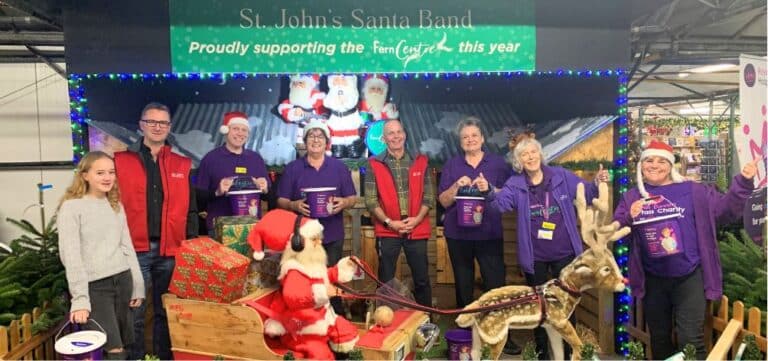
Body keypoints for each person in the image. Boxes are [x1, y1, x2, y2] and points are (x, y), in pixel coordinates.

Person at [614, 140, 758, 359]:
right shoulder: (632, 197)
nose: (654, 165)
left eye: (662, 161)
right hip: (652, 278)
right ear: (641, 165)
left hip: (689, 277)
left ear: (671, 165)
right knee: (659, 339)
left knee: (690, 340)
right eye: (649, 160)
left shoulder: (693, 191)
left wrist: (744, 183)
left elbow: (725, 212)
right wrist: (628, 217)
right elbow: (617, 233)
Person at [485, 131, 609, 359]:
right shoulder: (515, 184)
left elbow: (587, 191)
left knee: (566, 306)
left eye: (533, 152)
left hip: (565, 254)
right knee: (540, 308)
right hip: (536, 258)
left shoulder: (561, 176)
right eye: (524, 155)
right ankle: (542, 354)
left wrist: (597, 182)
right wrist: (488, 192)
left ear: (540, 155)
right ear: (518, 161)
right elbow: (499, 206)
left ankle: (574, 351)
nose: (530, 157)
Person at [115, 102, 198, 360]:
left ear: (169, 127)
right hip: (134, 250)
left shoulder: (182, 164)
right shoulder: (121, 161)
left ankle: (165, 357)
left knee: (166, 312)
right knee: (135, 313)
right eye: (152, 122)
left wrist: (191, 244)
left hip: (170, 250)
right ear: (142, 125)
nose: (158, 127)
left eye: (163, 122)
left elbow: (191, 209)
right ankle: (136, 357)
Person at [437, 117, 521, 354]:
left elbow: (511, 196)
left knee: (495, 287)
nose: (470, 140)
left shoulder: (498, 164)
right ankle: (465, 336)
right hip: (458, 236)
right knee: (463, 287)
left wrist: (491, 189)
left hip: (489, 234)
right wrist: (455, 186)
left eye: (474, 135)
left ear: (482, 138)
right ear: (460, 141)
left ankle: (502, 336)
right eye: (465, 137)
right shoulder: (452, 165)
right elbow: (442, 200)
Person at [57, 151, 145, 360]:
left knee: (122, 344)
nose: (107, 177)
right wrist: (80, 299)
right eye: (100, 173)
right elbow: (71, 255)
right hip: (96, 288)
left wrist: (137, 285)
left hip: (122, 281)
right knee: (112, 347)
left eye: (111, 172)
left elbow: (127, 247)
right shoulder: (71, 208)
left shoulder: (115, 205)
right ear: (85, 175)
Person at [246, 209, 359, 360]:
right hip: (302, 327)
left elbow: (323, 275)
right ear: (297, 243)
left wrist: (343, 268)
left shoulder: (310, 262)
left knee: (346, 331)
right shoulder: (293, 269)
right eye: (314, 239)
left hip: (321, 317)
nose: (319, 242)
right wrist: (323, 292)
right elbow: (294, 297)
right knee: (320, 354)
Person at [277, 120, 357, 314]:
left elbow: (353, 198)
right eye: (311, 135)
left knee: (332, 276)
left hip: (332, 234)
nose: (315, 140)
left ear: (327, 142)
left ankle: (335, 318)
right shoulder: (293, 168)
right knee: (305, 278)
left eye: (320, 136)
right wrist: (293, 205)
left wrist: (344, 203)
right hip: (303, 237)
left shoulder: (339, 167)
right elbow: (281, 200)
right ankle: (307, 317)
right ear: (305, 141)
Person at [364, 119, 434, 307]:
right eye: (390, 133)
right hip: (388, 230)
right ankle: (386, 323)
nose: (395, 136)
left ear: (404, 134)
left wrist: (417, 220)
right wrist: (389, 222)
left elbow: (429, 198)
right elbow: (370, 200)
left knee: (421, 279)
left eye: (398, 132)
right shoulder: (373, 164)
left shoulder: (420, 161)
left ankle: (426, 321)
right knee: (386, 281)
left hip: (416, 229)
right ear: (384, 139)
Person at [195, 111, 270, 234]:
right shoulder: (210, 159)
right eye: (236, 129)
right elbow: (198, 197)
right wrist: (217, 192)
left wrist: (265, 188)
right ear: (226, 130)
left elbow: (268, 195)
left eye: (244, 130)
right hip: (219, 229)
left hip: (251, 228)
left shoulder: (256, 159)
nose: (240, 133)